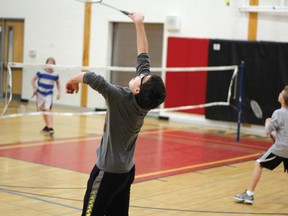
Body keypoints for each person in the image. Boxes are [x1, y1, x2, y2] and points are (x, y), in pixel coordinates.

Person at [65, 12, 166, 216]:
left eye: (142, 78)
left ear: (138, 89)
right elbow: (143, 53)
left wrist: (72, 80)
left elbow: (92, 77)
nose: (140, 75)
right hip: (126, 172)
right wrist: (138, 23)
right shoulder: (145, 102)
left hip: (107, 172)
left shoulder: (118, 97)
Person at [234, 85, 288, 204]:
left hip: (280, 148)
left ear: (283, 99)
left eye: (281, 93)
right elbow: (280, 134)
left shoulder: (278, 113)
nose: (279, 94)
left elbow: (267, 132)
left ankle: (249, 194)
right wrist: (275, 134)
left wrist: (268, 122)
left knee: (258, 163)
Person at [31, 57, 61, 135]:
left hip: (49, 94)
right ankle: (47, 126)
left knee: (48, 110)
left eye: (52, 63)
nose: (50, 65)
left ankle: (51, 128)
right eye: (49, 63)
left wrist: (59, 92)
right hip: (40, 93)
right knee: (43, 110)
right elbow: (33, 80)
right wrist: (34, 88)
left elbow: (58, 83)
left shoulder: (55, 74)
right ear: (46, 64)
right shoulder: (41, 71)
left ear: (54, 65)